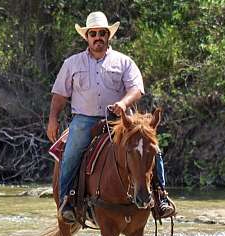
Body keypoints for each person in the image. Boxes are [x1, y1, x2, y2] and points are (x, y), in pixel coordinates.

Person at [47, 11, 173, 222]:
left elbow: (136, 89)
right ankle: (67, 199)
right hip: (85, 119)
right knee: (72, 150)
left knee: (152, 148)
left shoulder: (124, 62)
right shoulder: (72, 63)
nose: (98, 37)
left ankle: (160, 196)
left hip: (121, 119)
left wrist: (123, 104)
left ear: (108, 36)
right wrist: (52, 119)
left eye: (102, 33)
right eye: (93, 33)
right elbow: (59, 95)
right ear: (87, 37)